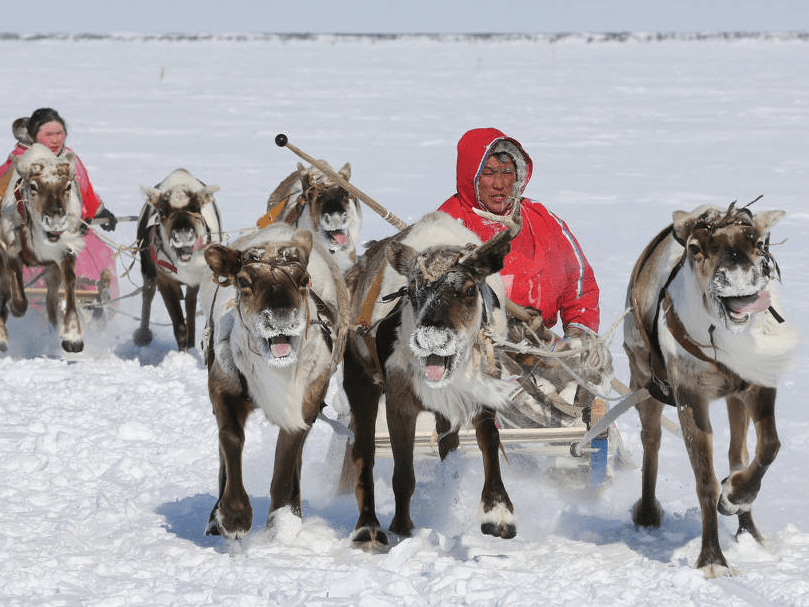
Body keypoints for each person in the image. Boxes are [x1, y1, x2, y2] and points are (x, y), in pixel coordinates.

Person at [438, 127, 600, 338]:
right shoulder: (446, 226)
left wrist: (578, 334)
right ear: (471, 176)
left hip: (539, 343)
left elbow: (579, 281)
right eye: (487, 172)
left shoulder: (540, 220)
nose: (499, 184)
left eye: (507, 172)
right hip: (474, 349)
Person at [0, 107, 117, 231]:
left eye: (59, 133)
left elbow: (85, 188)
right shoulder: (23, 164)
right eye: (48, 134)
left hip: (75, 227)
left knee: (104, 251)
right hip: (34, 236)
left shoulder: (68, 157)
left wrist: (98, 211)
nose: (55, 140)